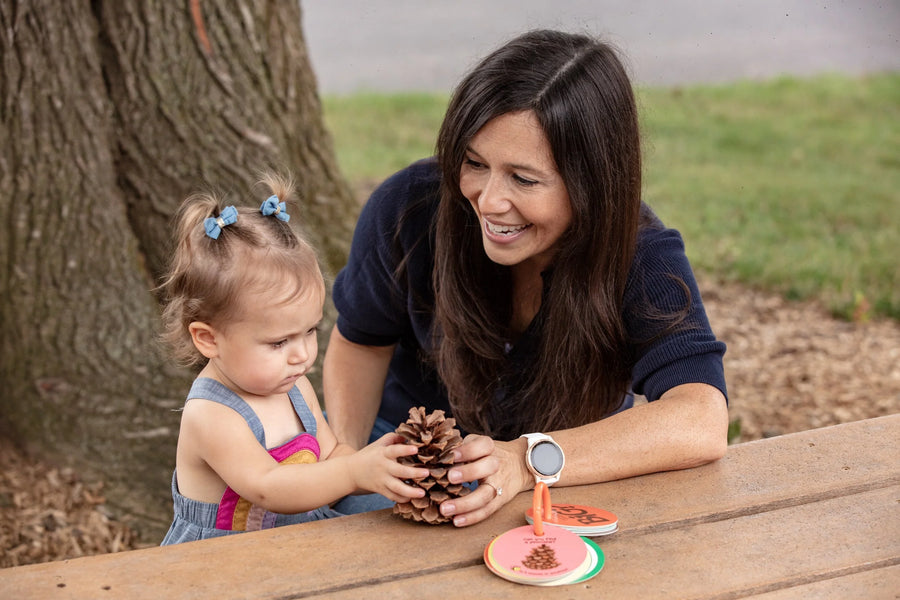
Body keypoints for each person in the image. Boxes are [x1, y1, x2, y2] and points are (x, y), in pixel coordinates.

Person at [323, 29, 730, 527]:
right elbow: (361, 340)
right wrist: (344, 466)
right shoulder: (409, 207)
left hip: (565, 469)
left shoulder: (640, 255)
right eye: (474, 163)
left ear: (592, 183)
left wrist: (523, 460)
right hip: (401, 461)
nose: (488, 200)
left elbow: (701, 419)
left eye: (524, 179)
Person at [157, 174, 428, 545]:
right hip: (220, 566)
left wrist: (377, 465)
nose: (302, 355)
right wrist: (353, 473)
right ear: (208, 339)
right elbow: (268, 487)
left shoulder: (294, 386)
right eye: (279, 342)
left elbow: (332, 453)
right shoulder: (212, 414)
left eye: (309, 332)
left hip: (296, 547)